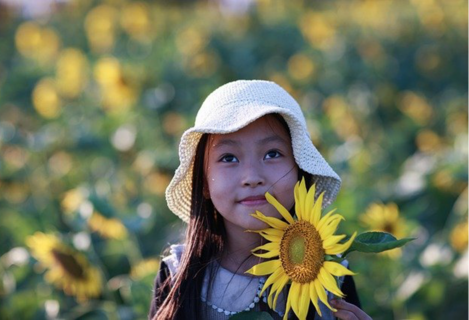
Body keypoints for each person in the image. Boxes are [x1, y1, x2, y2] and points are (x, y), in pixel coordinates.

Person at [149, 80, 372, 320]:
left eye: (272, 154)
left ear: (300, 171)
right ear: (204, 182)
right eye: (229, 158)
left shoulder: (330, 274)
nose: (252, 178)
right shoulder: (178, 276)